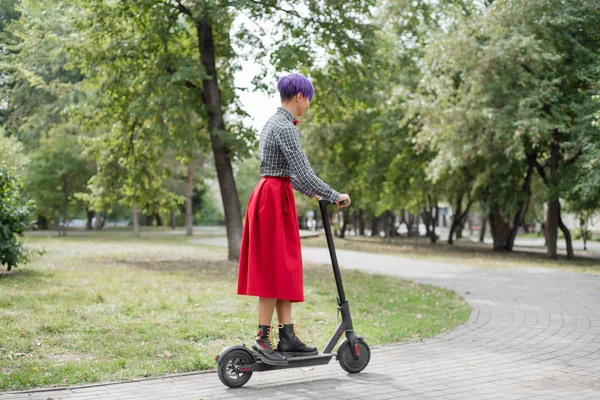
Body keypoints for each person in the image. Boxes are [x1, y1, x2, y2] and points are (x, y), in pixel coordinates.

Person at [237, 73, 351, 365]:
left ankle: (287, 335)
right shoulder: (285, 127)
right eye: (309, 99)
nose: (309, 105)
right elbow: (303, 171)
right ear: (300, 95)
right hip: (272, 201)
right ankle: (263, 338)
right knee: (273, 270)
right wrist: (332, 193)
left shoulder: (275, 123)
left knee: (284, 269)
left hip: (277, 196)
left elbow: (289, 174)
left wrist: (315, 194)